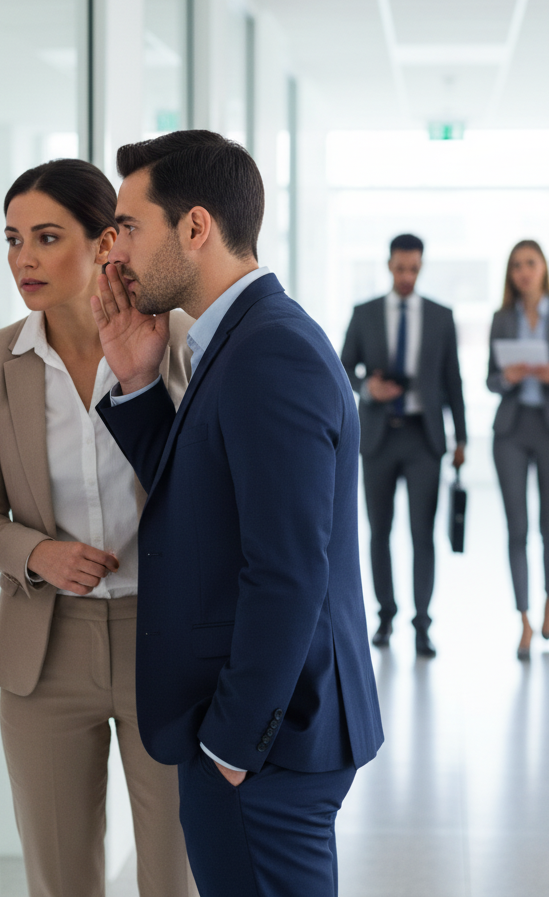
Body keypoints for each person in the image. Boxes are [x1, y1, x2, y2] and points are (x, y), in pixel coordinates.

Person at [90, 130, 384, 897]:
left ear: (195, 228)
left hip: (265, 740)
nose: (113, 253)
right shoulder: (236, 340)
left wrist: (231, 743)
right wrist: (140, 382)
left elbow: (288, 569)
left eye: (128, 227)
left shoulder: (269, 351)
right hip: (257, 732)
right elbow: (206, 509)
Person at [0, 159, 196, 897]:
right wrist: (39, 553)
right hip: (45, 652)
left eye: (46, 236)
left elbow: (209, 490)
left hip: (166, 639)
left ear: (102, 244)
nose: (22, 257)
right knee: (59, 880)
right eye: (12, 238)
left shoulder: (179, 340)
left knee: (175, 875)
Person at [339, 234, 467, 656]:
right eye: (400, 268)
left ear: (421, 266)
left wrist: (461, 436)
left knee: (422, 534)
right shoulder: (365, 314)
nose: (407, 276)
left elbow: (453, 381)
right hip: (378, 436)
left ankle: (423, 622)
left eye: (414, 268)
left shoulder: (441, 317)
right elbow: (342, 371)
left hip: (423, 438)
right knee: (379, 531)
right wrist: (367, 387)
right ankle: (386, 616)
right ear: (389, 264)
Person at [486, 240, 549, 659]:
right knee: (516, 528)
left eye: (530, 264)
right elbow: (489, 381)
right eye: (516, 266)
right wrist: (506, 377)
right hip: (512, 429)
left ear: (544, 268)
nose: (523, 272)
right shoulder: (500, 318)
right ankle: (524, 619)